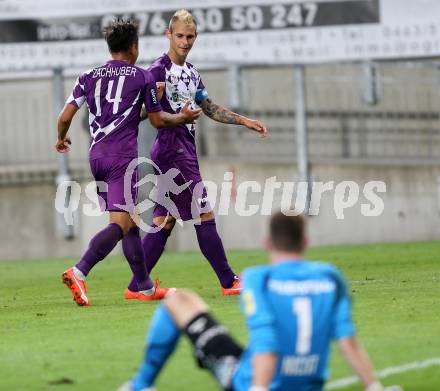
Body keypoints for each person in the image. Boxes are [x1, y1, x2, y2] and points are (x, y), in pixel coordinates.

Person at [120, 212, 403, 391]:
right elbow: (347, 339)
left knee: (178, 301)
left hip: (251, 379)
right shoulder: (330, 276)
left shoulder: (259, 279)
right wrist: (374, 385)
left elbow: (267, 342)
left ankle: (141, 385)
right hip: (309, 383)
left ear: (268, 244)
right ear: (305, 242)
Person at [56, 18, 201, 306]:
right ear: (134, 47)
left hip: (96, 157)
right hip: (122, 158)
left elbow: (65, 117)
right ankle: (79, 271)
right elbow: (158, 120)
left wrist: (61, 138)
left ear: (110, 47)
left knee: (131, 223)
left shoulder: (88, 76)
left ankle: (144, 287)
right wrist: (182, 117)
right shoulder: (142, 76)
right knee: (120, 224)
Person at [125, 9, 268, 298]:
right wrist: (155, 106)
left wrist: (243, 120)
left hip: (182, 149)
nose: (185, 41)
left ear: (196, 37)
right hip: (171, 150)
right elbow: (143, 113)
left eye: (190, 37)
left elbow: (208, 106)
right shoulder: (157, 71)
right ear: (169, 35)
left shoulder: (191, 73)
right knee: (204, 214)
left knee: (163, 222)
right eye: (179, 36)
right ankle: (229, 281)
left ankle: (136, 285)